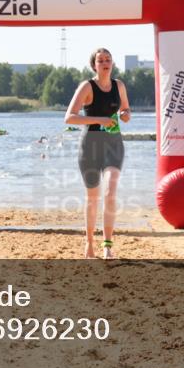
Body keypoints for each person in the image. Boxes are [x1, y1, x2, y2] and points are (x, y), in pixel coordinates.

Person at [65, 48, 130, 259]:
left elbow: (126, 109)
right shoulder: (87, 86)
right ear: (94, 65)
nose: (105, 63)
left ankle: (107, 246)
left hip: (113, 144)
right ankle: (89, 243)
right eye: (100, 60)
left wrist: (125, 114)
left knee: (110, 192)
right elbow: (70, 118)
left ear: (112, 63)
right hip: (90, 146)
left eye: (108, 60)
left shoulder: (119, 85)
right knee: (92, 198)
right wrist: (100, 120)